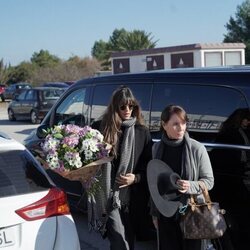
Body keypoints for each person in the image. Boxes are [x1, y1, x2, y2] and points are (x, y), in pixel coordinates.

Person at [90, 86, 153, 250]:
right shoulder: (100, 128)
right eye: (123, 106)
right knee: (120, 242)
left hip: (131, 198)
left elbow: (149, 164)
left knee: (128, 242)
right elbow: (86, 159)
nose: (127, 110)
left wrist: (136, 178)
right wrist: (102, 151)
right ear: (115, 107)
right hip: (108, 195)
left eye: (131, 106)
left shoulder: (141, 132)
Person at [148, 104, 214, 250]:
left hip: (191, 212)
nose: (181, 128)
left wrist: (190, 185)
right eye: (176, 124)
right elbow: (154, 184)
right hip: (165, 213)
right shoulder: (156, 148)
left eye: (184, 123)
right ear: (164, 125)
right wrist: (154, 214)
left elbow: (209, 181)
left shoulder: (197, 149)